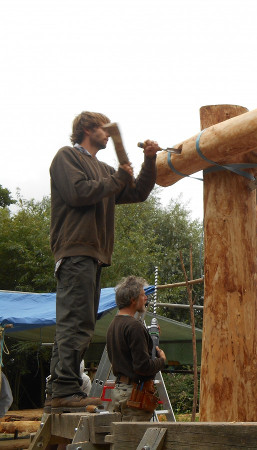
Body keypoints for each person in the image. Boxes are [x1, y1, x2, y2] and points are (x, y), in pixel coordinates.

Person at [48, 111, 160, 410]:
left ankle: (63, 389)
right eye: (103, 128)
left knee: (81, 323)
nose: (109, 133)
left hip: (94, 254)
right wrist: (120, 176)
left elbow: (136, 192)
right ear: (86, 128)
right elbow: (78, 192)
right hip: (75, 250)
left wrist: (149, 161)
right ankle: (64, 390)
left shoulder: (106, 168)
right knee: (74, 323)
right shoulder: (67, 158)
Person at [106, 276, 167, 421]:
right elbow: (142, 366)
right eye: (142, 295)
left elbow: (125, 359)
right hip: (134, 394)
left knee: (121, 439)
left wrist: (150, 341)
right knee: (134, 441)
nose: (146, 298)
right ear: (133, 299)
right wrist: (162, 360)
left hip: (119, 390)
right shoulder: (134, 326)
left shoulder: (113, 325)